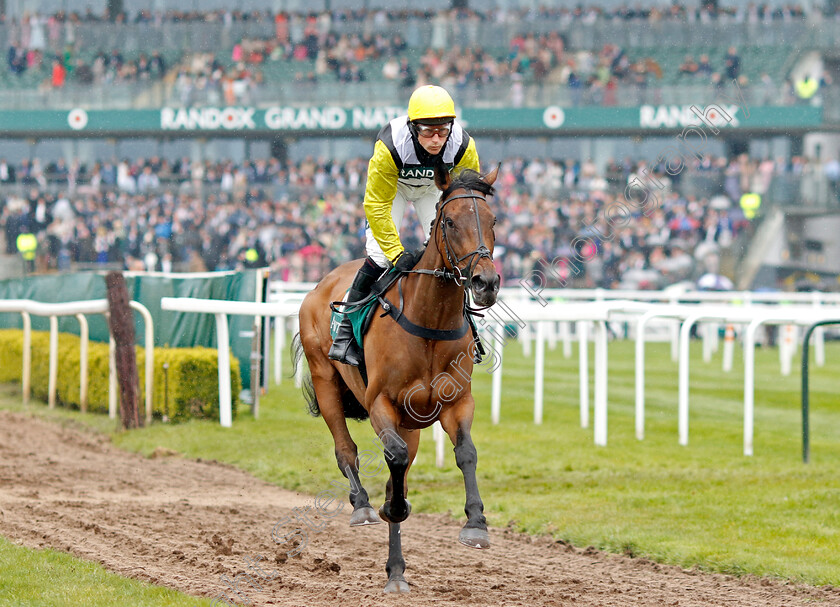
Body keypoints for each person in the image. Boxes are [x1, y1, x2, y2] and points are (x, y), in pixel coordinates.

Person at [328, 85, 481, 366]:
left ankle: (469, 326)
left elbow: (465, 199)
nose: (436, 139)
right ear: (412, 127)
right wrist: (397, 254)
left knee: (454, 253)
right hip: (393, 190)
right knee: (379, 256)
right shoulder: (390, 146)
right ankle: (345, 333)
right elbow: (376, 206)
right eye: (427, 131)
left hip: (432, 190)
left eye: (443, 130)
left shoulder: (463, 146)